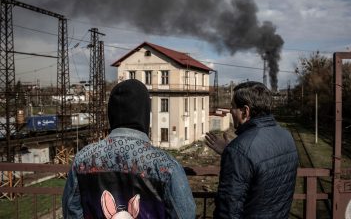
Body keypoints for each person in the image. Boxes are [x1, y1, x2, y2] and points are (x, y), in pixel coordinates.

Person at [62, 79, 196, 218]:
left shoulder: (82, 158)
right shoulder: (166, 166)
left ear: (111, 113)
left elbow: (71, 211)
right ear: (144, 113)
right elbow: (185, 214)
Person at [205, 81, 299, 218]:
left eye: (233, 107)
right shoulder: (286, 136)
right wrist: (231, 151)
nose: (230, 111)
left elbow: (228, 209)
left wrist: (234, 152)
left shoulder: (239, 151)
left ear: (245, 111)